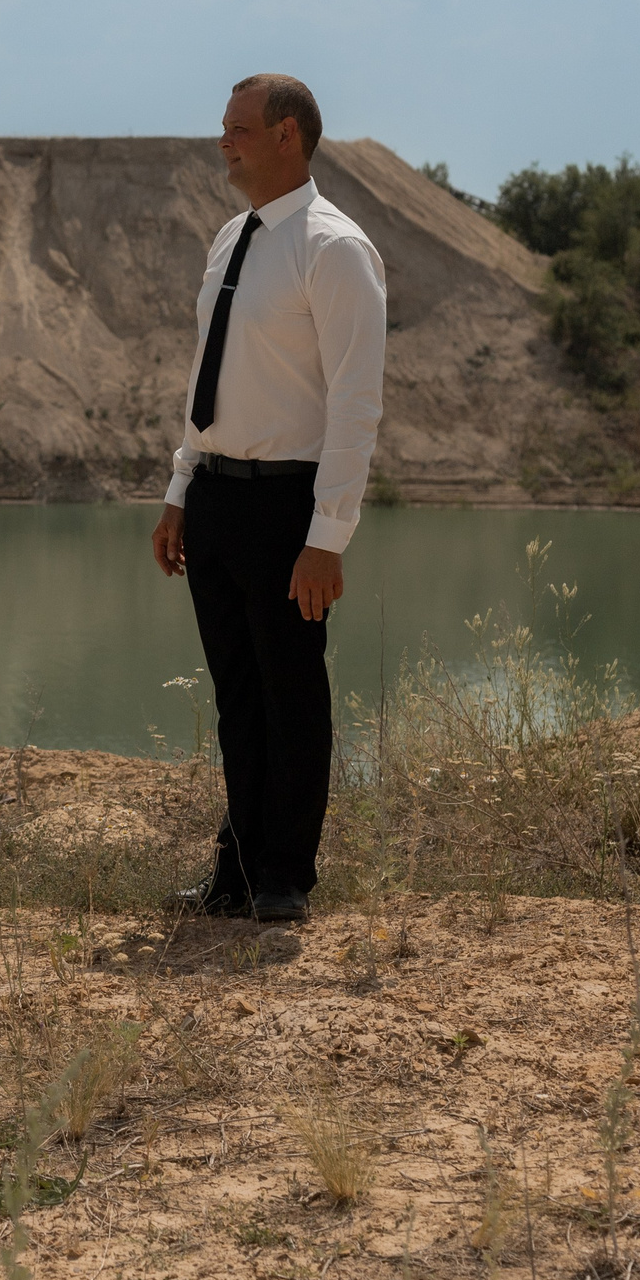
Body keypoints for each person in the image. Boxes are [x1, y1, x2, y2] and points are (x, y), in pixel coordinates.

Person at [153, 75, 386, 923]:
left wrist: (328, 537)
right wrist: (180, 488)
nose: (224, 142)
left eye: (239, 128)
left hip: (288, 507)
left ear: (288, 135)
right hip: (216, 497)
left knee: (291, 694)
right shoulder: (230, 239)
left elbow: (356, 403)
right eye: (224, 127)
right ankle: (237, 873)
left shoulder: (336, 248)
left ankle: (285, 874)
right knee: (238, 697)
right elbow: (205, 377)